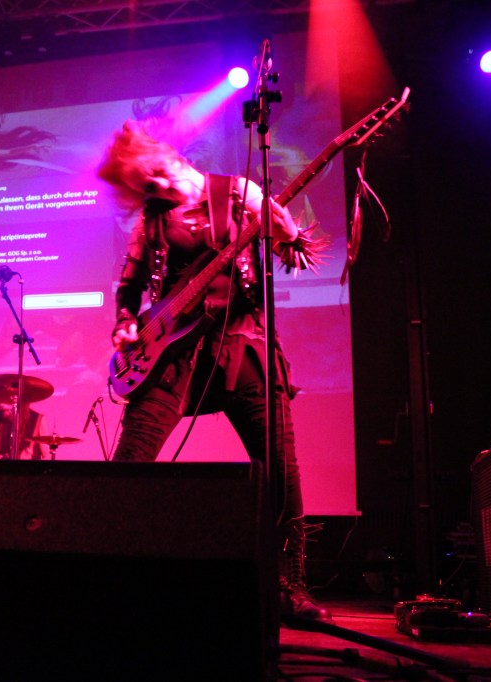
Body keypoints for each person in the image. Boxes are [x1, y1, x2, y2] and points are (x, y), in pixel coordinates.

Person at [97, 122, 330, 623]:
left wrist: (286, 232)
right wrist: (124, 322)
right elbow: (129, 284)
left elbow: (294, 253)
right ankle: (114, 578)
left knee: (280, 470)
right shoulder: (151, 221)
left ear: (169, 157)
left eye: (153, 175)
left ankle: (290, 587)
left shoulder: (239, 192)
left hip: (242, 344)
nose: (156, 187)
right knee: (130, 463)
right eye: (144, 186)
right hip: (170, 354)